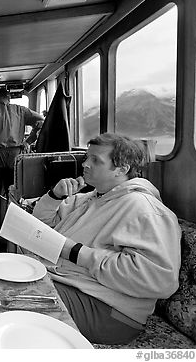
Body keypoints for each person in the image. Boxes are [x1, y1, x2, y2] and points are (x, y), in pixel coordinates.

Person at [32, 133, 181, 344]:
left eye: (96, 160)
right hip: (70, 283)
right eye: (87, 157)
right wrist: (54, 197)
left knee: (21, 303)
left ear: (122, 169)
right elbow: (42, 226)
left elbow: (159, 279)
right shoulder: (92, 198)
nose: (85, 164)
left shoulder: (143, 209)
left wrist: (76, 252)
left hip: (110, 312)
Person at [0, 87, 44, 250]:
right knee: (16, 201)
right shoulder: (21, 110)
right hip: (16, 157)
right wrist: (29, 140)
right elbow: (41, 121)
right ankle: (17, 241)